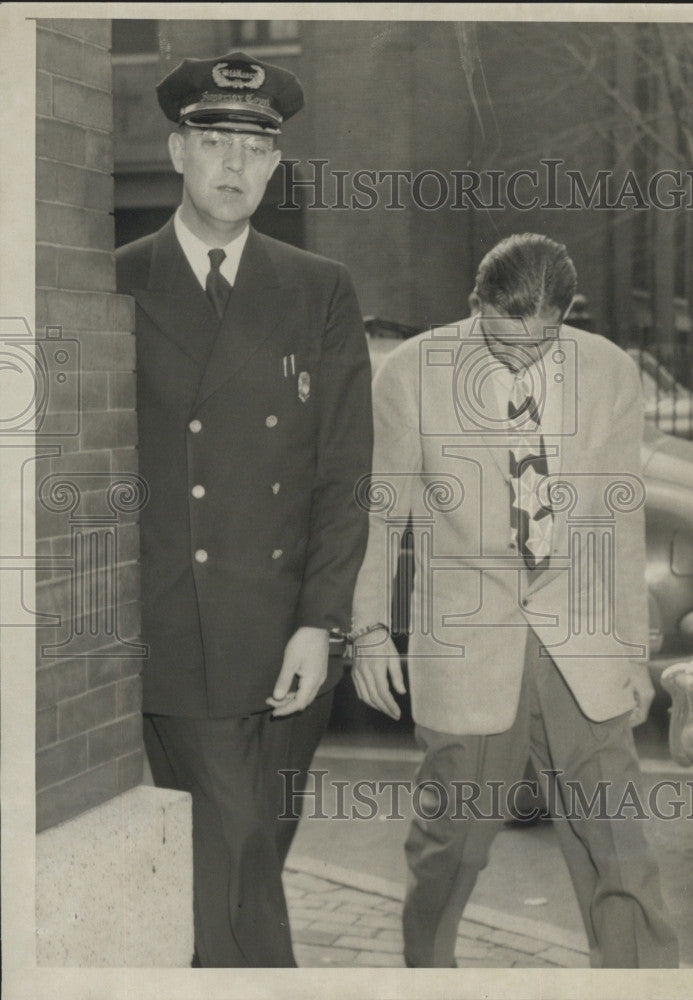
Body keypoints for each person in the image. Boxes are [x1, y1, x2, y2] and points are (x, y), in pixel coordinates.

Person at [351, 233, 678, 968]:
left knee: (620, 855)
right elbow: (379, 510)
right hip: (467, 647)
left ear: (565, 318)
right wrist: (369, 628)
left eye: (537, 345)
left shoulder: (610, 373)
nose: (517, 361)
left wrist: (631, 652)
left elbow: (617, 519)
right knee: (451, 854)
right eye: (500, 344)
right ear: (474, 306)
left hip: (583, 648)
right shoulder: (411, 374)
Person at [115, 52, 372, 967]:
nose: (234, 166)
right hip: (181, 635)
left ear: (275, 166)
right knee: (236, 873)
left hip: (291, 646)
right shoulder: (120, 281)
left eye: (255, 150)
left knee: (247, 863)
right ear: (176, 149)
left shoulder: (318, 288)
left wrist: (319, 622)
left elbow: (344, 474)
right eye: (215, 141)